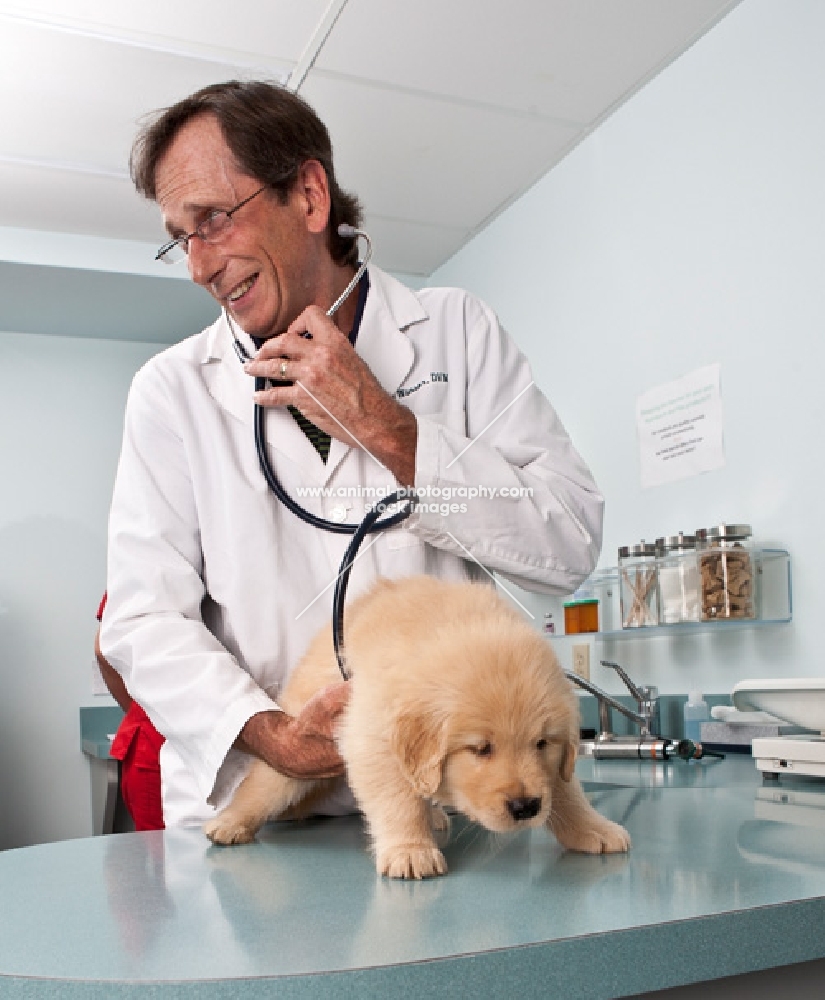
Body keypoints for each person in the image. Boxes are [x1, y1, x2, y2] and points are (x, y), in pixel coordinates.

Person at [99, 80, 604, 828]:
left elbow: (565, 543)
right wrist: (272, 736)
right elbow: (142, 619)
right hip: (258, 806)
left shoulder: (455, 333)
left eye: (212, 220)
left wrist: (389, 429)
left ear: (308, 196)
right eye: (181, 236)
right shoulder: (172, 391)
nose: (199, 265)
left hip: (438, 805)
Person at [95, 594, 165, 831]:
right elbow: (104, 650)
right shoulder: (144, 561)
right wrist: (145, 711)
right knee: (165, 859)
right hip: (156, 742)